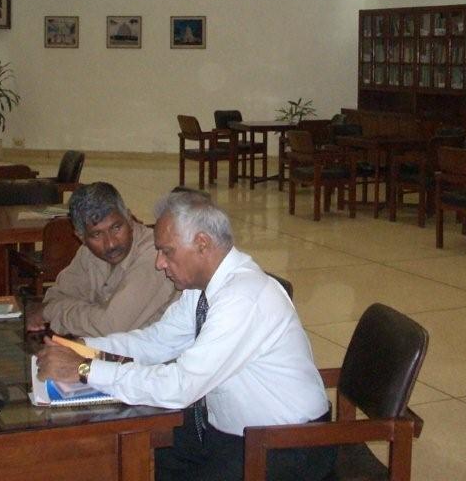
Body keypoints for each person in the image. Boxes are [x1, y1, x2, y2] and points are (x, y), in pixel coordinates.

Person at [37, 190, 333, 481]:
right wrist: (83, 348)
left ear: (202, 243)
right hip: (227, 432)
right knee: (127, 455)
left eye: (167, 252)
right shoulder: (203, 288)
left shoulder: (244, 298)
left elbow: (181, 386)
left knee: (143, 457)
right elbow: (156, 341)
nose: (159, 263)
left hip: (285, 446)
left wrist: (85, 370)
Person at [27, 182, 177, 337]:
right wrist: (88, 317)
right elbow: (57, 297)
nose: (111, 243)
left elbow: (109, 326)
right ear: (81, 237)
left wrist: (51, 312)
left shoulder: (155, 256)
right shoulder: (88, 252)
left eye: (116, 227)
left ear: (129, 218)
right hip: (104, 352)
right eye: (96, 235)